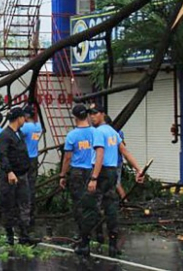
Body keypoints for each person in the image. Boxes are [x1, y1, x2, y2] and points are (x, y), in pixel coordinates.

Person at [88, 104, 144, 257]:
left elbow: (100, 154)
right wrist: (138, 169)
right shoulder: (113, 132)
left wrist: (94, 177)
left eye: (94, 113)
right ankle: (113, 244)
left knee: (95, 205)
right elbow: (125, 151)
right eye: (90, 114)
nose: (92, 117)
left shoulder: (99, 132)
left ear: (102, 114)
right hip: (112, 171)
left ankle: (98, 237)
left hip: (102, 171)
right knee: (111, 206)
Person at [58, 104, 104, 256]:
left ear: (75, 117)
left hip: (77, 172)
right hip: (93, 171)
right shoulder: (95, 132)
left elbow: (68, 157)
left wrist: (63, 175)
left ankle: (83, 236)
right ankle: (98, 233)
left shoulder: (72, 135)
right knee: (94, 203)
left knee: (79, 205)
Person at [0, 107, 40, 246]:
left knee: (25, 203)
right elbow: (3, 155)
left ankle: (24, 235)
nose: (25, 120)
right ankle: (9, 235)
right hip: (10, 176)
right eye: (23, 117)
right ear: (19, 118)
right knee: (9, 204)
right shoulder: (5, 135)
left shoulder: (20, 134)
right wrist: (9, 171)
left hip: (23, 174)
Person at [20, 105, 42, 227]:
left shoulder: (26, 127)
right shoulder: (38, 126)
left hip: (25, 157)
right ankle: (32, 213)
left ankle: (24, 215)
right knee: (32, 185)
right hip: (34, 157)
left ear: (26, 116)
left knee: (23, 186)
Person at [105, 115, 128, 201]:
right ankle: (122, 200)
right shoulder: (118, 132)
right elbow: (123, 145)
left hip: (112, 162)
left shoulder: (106, 133)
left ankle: (124, 200)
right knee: (116, 183)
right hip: (118, 161)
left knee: (115, 183)